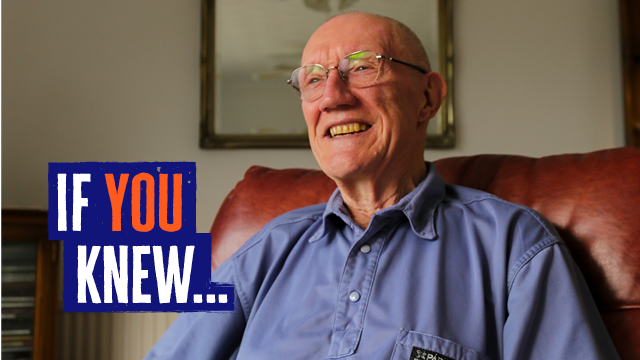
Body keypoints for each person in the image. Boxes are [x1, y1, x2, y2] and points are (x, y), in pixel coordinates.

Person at [145, 12, 620, 360]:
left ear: (428, 97)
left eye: (363, 67)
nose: (332, 96)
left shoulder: (515, 247)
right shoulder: (267, 249)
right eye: (313, 80)